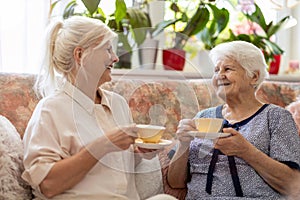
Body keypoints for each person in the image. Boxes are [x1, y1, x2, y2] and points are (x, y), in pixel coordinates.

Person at [22, 16, 176, 200]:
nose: (116, 57)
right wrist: (103, 145)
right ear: (80, 55)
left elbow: (109, 173)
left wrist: (139, 154)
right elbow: (47, 185)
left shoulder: (117, 104)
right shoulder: (50, 110)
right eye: (108, 49)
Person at [167, 41, 300, 199]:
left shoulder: (276, 117)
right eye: (216, 70)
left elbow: (293, 185)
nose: (219, 75)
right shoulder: (203, 118)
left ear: (254, 76)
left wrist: (247, 151)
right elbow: (175, 183)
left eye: (228, 69)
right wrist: (183, 144)